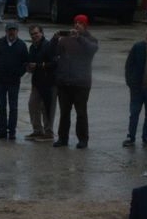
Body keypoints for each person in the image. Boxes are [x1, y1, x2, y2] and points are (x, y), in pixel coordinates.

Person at [51, 15, 99, 149]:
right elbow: (54, 53)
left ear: (85, 26)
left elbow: (92, 49)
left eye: (80, 23)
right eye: (75, 23)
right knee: (64, 112)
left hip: (81, 83)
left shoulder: (90, 39)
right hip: (65, 82)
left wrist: (79, 38)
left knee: (81, 113)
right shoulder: (65, 39)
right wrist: (55, 40)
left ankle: (83, 139)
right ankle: (62, 138)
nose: (77, 25)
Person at [0, 21, 29, 141]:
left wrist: (19, 73)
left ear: (17, 31)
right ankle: (2, 131)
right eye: (9, 30)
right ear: (6, 31)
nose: (11, 32)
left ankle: (12, 132)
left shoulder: (21, 45)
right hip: (0, 81)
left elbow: (25, 62)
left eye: (14, 30)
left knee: (13, 107)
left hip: (14, 82)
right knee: (1, 107)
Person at [25, 25, 56, 141]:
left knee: (47, 107)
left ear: (42, 33)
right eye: (32, 34)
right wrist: (29, 67)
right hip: (37, 82)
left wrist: (39, 66)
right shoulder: (32, 47)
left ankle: (49, 133)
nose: (34, 36)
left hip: (49, 82)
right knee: (32, 105)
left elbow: (54, 64)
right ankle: (37, 130)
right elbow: (30, 62)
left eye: (36, 33)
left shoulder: (48, 46)